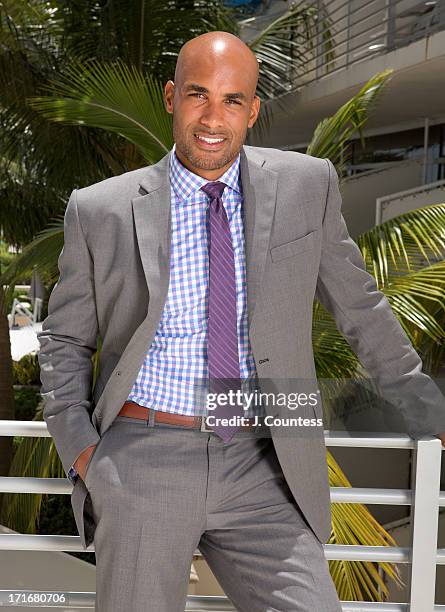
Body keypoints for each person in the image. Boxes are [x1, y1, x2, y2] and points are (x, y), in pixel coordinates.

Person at [37, 31, 445, 611]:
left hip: (263, 459)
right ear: (171, 97)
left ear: (252, 110)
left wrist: (430, 412)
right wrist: (86, 454)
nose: (212, 117)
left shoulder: (308, 185)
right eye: (198, 95)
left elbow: (360, 308)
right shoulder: (101, 208)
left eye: (232, 100)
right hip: (144, 455)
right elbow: (64, 338)